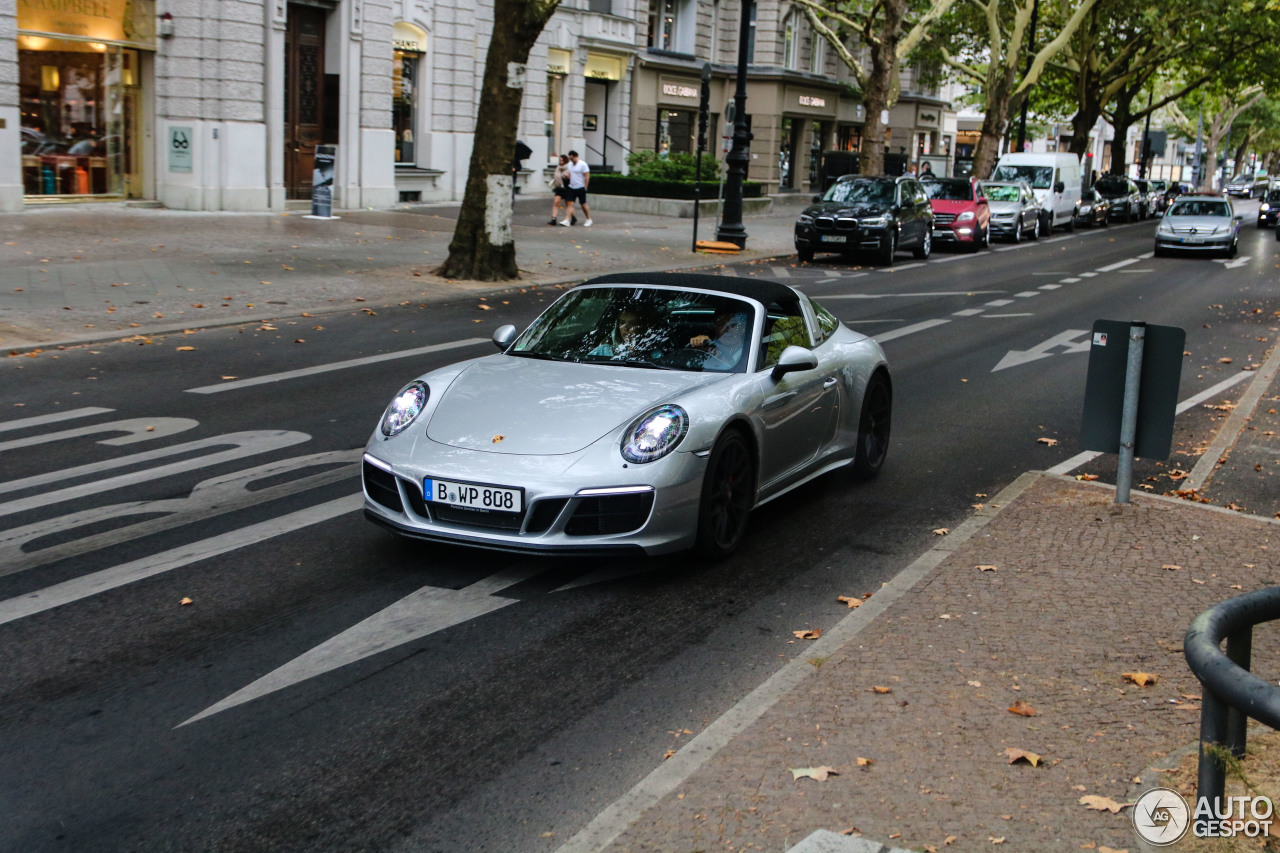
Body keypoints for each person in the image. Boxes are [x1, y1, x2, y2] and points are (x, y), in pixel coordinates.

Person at [590, 305, 654, 358]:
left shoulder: (654, 355)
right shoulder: (603, 351)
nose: (626, 328)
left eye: (633, 323)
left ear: (643, 328)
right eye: (622, 322)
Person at [560, 150, 592, 227]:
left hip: (580, 187)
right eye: (570, 159)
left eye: (572, 158)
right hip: (571, 187)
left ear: (576, 156)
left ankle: (588, 218)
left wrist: (585, 187)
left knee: (583, 204)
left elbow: (587, 176)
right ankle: (567, 220)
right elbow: (570, 173)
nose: (571, 160)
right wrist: (567, 176)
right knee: (569, 203)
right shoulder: (570, 165)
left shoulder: (583, 164)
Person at [548, 155, 576, 226]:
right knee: (556, 203)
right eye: (560, 160)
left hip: (566, 188)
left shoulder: (569, 167)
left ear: (565, 161)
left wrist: (567, 177)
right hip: (559, 187)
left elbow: (571, 177)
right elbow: (556, 175)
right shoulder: (558, 167)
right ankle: (553, 219)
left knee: (568, 204)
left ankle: (573, 217)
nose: (561, 162)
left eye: (562, 161)